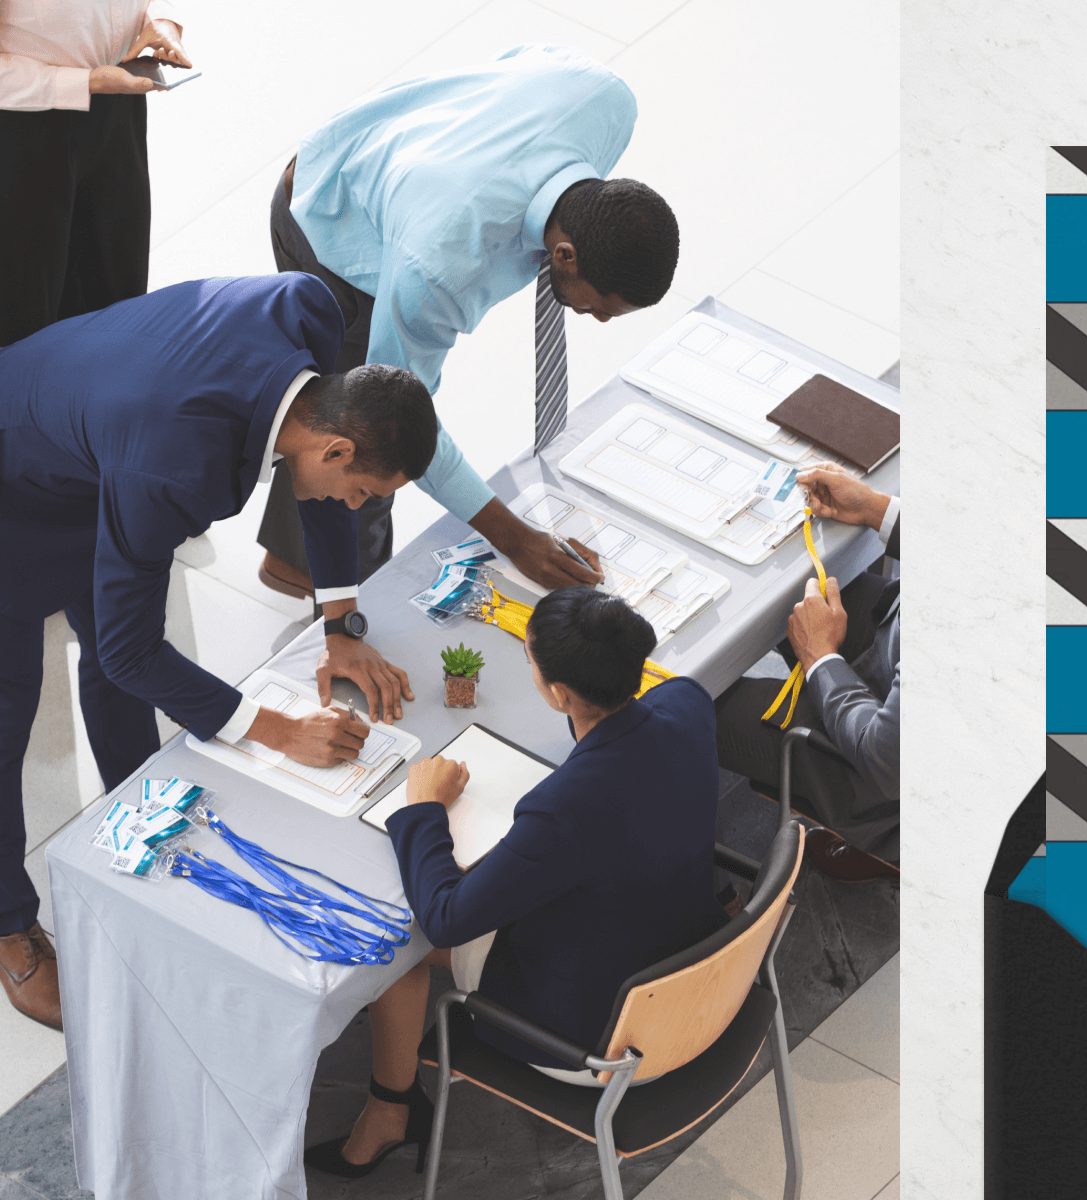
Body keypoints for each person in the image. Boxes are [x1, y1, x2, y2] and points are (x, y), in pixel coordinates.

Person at [0, 273, 436, 1029]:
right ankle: (8, 927)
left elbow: (322, 486)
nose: (354, 507)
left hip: (101, 440)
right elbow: (140, 652)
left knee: (112, 658)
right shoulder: (172, 468)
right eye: (362, 490)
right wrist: (279, 730)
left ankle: (138, 820)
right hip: (19, 483)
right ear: (334, 443)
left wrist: (339, 620)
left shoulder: (308, 310)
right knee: (10, 710)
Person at [305, 590, 725, 1176]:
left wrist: (423, 808)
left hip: (595, 1038)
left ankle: (389, 1111)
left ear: (558, 694)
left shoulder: (565, 811)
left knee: (397, 940)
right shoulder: (689, 703)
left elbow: (445, 918)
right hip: (698, 981)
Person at [256, 43, 681, 600]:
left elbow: (511, 66)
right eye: (600, 303)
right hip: (330, 218)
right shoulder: (438, 268)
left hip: (404, 156)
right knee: (367, 435)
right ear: (566, 255)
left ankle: (303, 556)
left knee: (349, 403)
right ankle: (311, 573)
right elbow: (398, 417)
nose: (598, 319)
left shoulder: (606, 99)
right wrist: (516, 539)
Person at [715, 463, 900, 876]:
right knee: (780, 588)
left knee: (690, 713)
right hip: (898, 649)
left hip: (885, 780)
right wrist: (876, 509)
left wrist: (819, 657)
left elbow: (885, 760)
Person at [0, 0, 192, 346]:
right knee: (23, 320)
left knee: (118, 296)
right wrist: (82, 82)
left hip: (118, 96)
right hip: (23, 124)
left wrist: (163, 17)